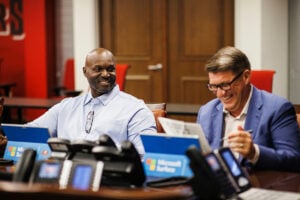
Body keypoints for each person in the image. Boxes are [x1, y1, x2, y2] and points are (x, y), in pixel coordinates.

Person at [27, 48, 157, 156]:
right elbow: (29, 132)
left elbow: (145, 156)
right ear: (85, 72)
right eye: (98, 69)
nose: (106, 74)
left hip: (109, 180)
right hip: (65, 176)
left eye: (110, 69)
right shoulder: (65, 107)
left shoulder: (135, 109)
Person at [197, 46, 300, 172]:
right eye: (213, 86)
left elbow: (294, 160)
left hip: (260, 187)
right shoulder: (206, 112)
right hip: (217, 186)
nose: (220, 94)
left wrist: (254, 152)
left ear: (245, 77)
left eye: (225, 85)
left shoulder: (277, 109)